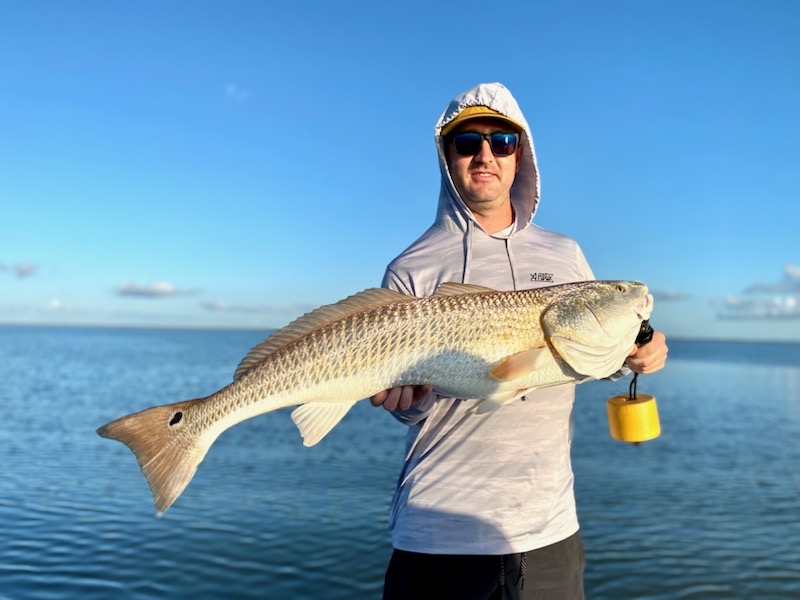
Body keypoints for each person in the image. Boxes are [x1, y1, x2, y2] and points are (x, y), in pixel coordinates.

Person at [370, 82, 669, 600]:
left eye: (502, 141)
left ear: (520, 153)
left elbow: (588, 348)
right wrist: (407, 403)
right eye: (467, 142)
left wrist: (635, 355)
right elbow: (404, 405)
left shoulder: (565, 255)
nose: (485, 154)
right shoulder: (409, 268)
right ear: (447, 156)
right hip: (434, 536)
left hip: (547, 534)